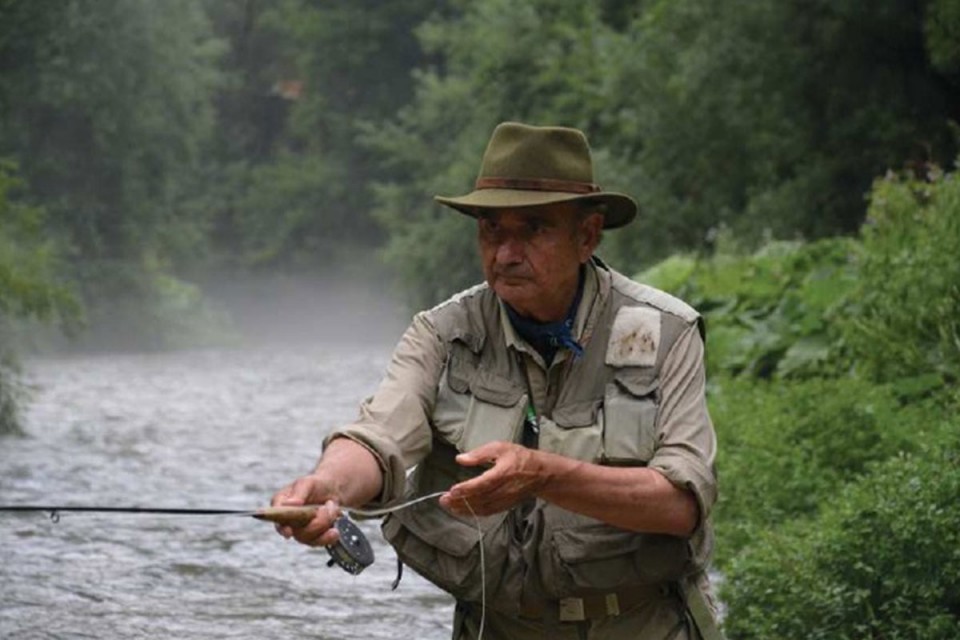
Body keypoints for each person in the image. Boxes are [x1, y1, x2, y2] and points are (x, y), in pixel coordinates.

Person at [272, 122, 723, 640]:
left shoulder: (666, 333)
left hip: (645, 626)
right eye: (492, 230)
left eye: (533, 229)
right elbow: (379, 438)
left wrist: (542, 474)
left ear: (588, 236)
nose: (506, 253)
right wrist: (326, 487)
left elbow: (680, 504)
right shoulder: (442, 333)